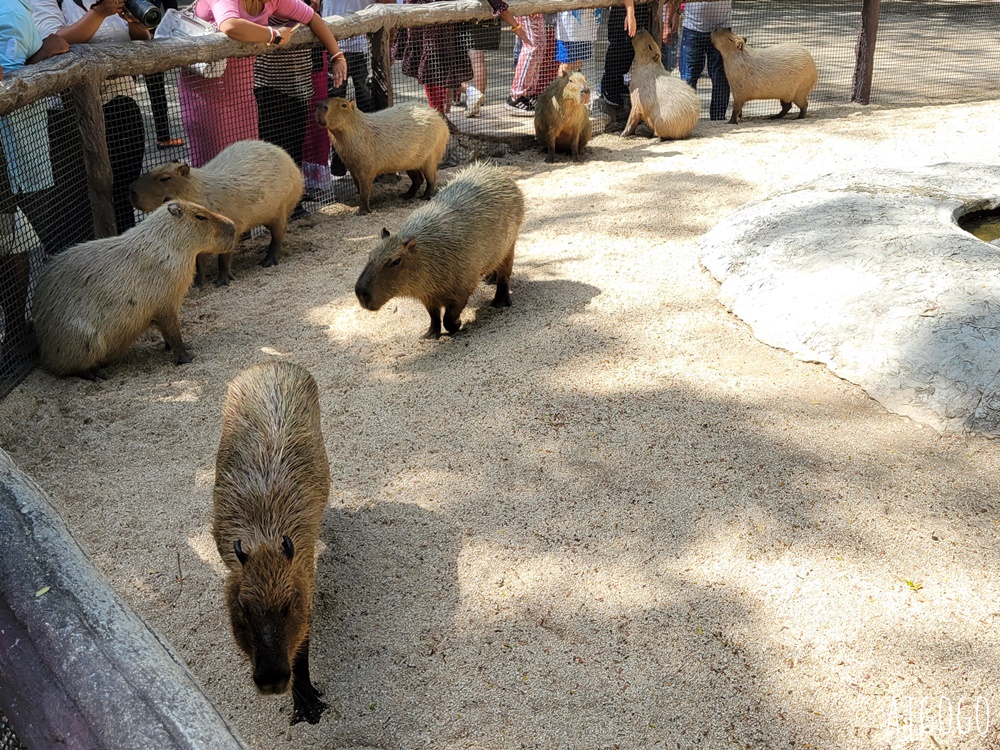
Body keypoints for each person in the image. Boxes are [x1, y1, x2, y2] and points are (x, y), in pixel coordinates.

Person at [178, 0, 348, 169]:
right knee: (217, 161)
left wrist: (337, 56)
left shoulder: (274, 1)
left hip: (242, 89)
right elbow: (230, 25)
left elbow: (312, 17)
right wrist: (273, 34)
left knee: (247, 156)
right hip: (207, 90)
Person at [34, 0, 151, 234]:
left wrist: (137, 24)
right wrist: (100, 13)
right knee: (81, 207)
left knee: (123, 200)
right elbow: (54, 43)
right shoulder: (45, 2)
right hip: (71, 118)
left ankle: (126, 265)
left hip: (123, 109)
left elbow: (141, 41)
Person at [0, 0, 69, 373]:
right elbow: (6, 74)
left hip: (16, 149)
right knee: (16, 239)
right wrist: (46, 50)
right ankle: (14, 334)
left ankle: (16, 330)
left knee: (19, 239)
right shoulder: (9, 11)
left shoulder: (13, 8)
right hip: (12, 145)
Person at [676, 0, 731, 120]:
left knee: (721, 76)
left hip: (722, 28)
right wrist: (668, 24)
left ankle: (718, 118)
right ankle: (687, 118)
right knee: (688, 77)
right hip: (692, 29)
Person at [597, 0, 652, 117]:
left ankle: (618, 81)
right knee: (619, 46)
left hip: (640, 8)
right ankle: (609, 84)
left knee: (630, 47)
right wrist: (630, 13)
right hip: (623, 9)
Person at [145, 0, 184, 150]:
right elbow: (172, 12)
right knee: (156, 93)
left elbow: (172, 11)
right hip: (147, 41)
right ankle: (163, 137)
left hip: (147, 41)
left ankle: (163, 137)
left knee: (156, 92)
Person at [554, 7, 598, 76]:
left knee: (578, 63)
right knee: (566, 63)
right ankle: (562, 86)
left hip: (586, 26)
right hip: (568, 29)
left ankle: (575, 86)